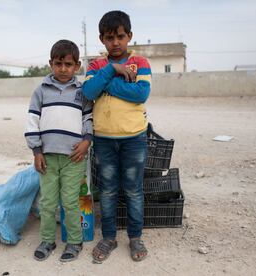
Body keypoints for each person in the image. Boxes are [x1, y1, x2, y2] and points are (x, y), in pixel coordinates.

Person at [82, 10, 152, 263]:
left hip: (134, 138)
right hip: (103, 139)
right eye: (110, 37)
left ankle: (135, 237)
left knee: (133, 191)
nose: (115, 42)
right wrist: (112, 69)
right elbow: (89, 91)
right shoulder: (97, 65)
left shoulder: (141, 63)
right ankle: (109, 237)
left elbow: (140, 94)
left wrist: (106, 81)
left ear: (129, 36)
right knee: (108, 191)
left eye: (120, 36)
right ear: (102, 39)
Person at [24, 40, 93, 262]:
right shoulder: (41, 91)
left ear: (77, 66)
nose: (63, 69)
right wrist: (36, 152)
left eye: (68, 64)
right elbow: (32, 121)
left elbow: (88, 119)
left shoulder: (83, 91)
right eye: (58, 64)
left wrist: (87, 141)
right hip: (48, 158)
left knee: (71, 201)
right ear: (50, 64)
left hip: (74, 158)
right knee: (48, 202)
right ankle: (47, 240)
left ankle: (74, 241)